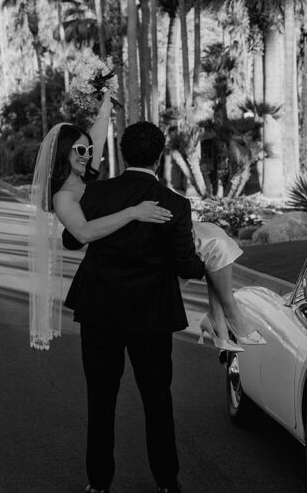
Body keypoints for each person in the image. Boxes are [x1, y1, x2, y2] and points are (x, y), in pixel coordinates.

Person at [29, 92, 260, 354]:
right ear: (63, 153)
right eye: (80, 150)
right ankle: (225, 315)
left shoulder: (88, 178)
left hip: (135, 234)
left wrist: (104, 106)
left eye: (88, 150)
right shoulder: (63, 196)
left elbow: (97, 137)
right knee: (216, 244)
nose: (87, 154)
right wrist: (133, 212)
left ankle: (218, 317)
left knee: (218, 241)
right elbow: (81, 233)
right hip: (123, 250)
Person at [61, 120, 206, 493]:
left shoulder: (97, 192)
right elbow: (184, 265)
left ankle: (98, 484)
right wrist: (204, 262)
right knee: (157, 398)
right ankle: (166, 482)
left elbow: (71, 240)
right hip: (151, 316)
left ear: (124, 153)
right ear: (160, 156)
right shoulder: (175, 204)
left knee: (100, 397)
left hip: (100, 311)